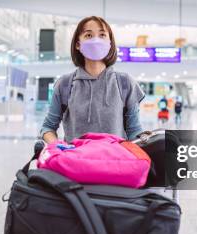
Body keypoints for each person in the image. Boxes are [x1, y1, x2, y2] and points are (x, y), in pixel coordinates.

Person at [40, 16, 145, 144]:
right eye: (89, 35)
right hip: (76, 161)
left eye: (102, 35)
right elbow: (48, 127)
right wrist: (59, 147)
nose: (96, 40)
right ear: (78, 44)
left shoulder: (125, 83)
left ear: (110, 43)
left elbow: (134, 130)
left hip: (114, 161)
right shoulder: (65, 84)